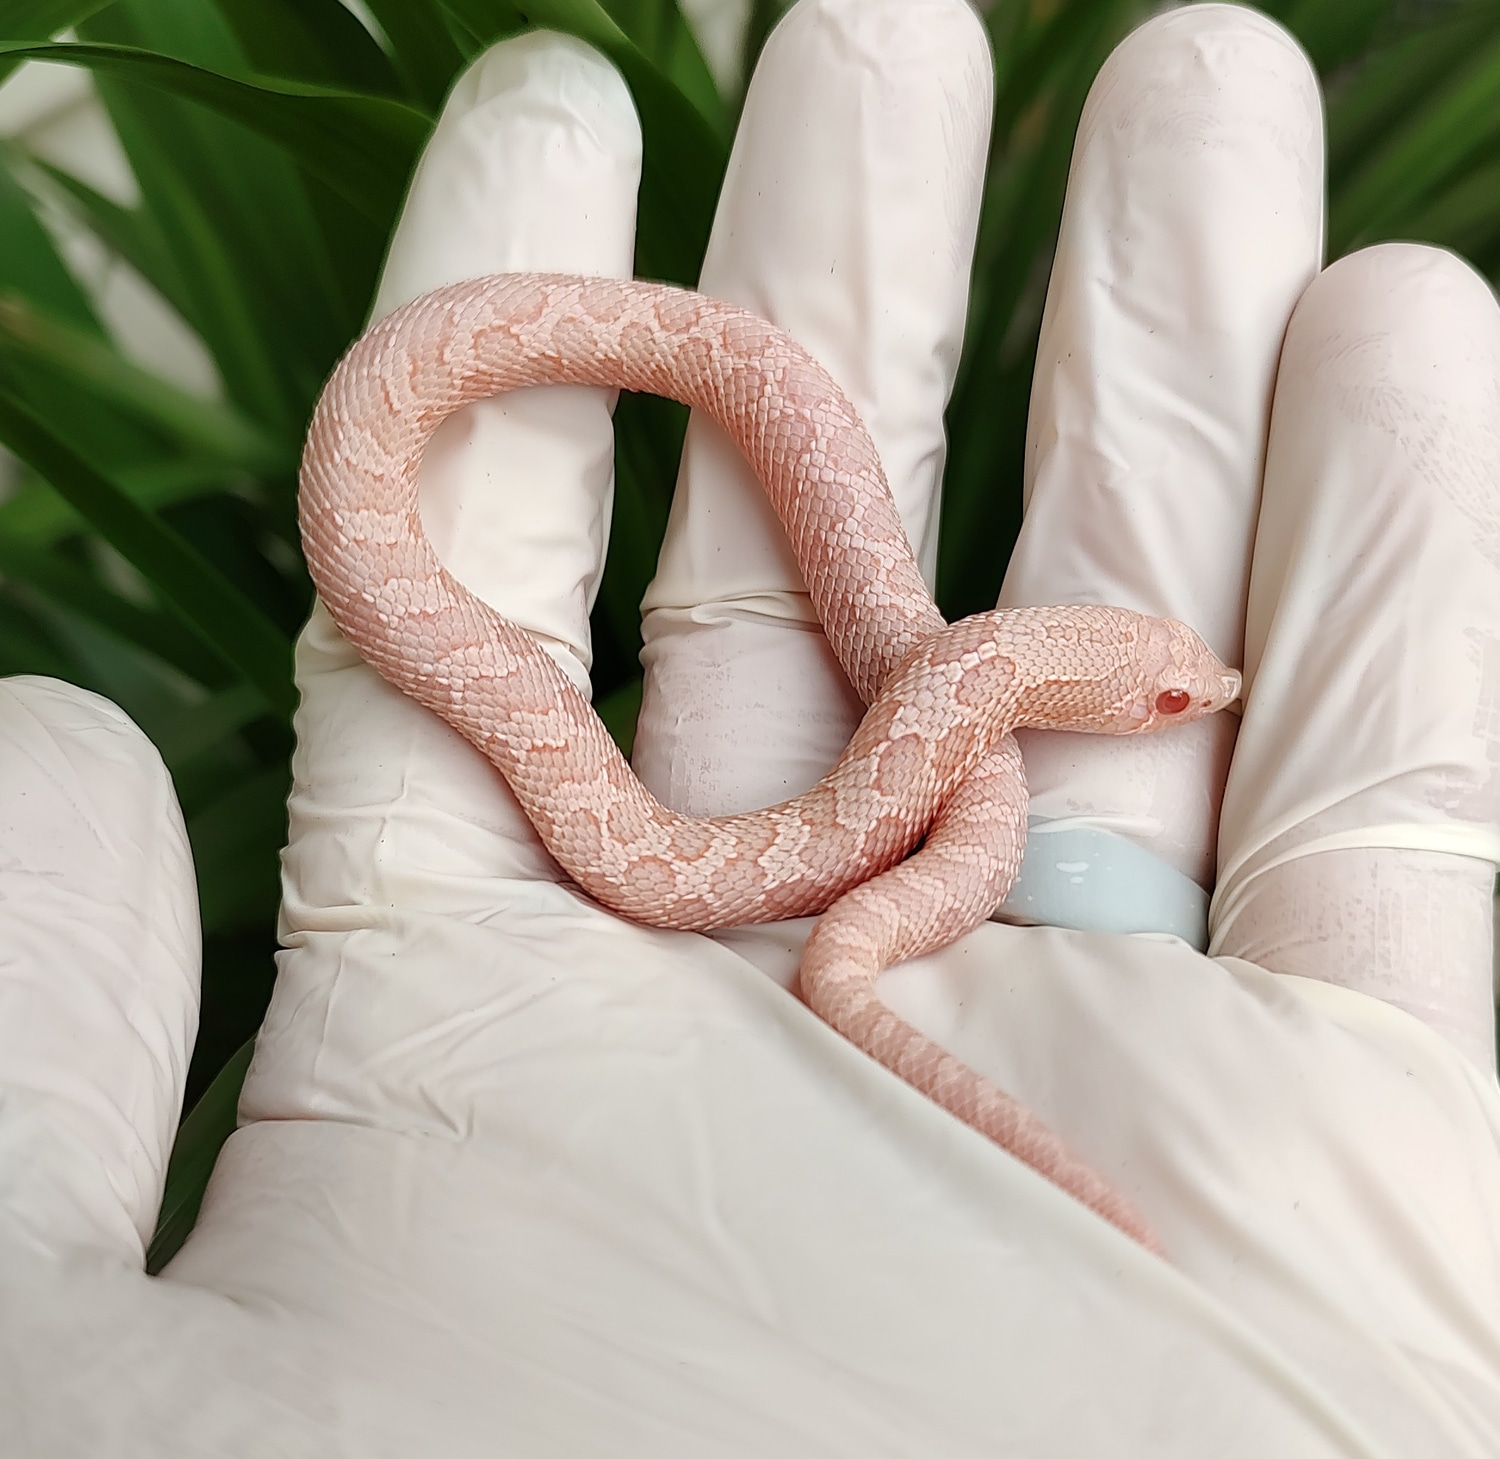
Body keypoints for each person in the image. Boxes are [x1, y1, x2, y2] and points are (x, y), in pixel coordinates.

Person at [3, 2, 1498, 1452]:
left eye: (1172, 698)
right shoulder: (968, 702)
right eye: (1172, 699)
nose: (1191, 704)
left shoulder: (969, 688)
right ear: (1056, 683)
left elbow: (947, 723)